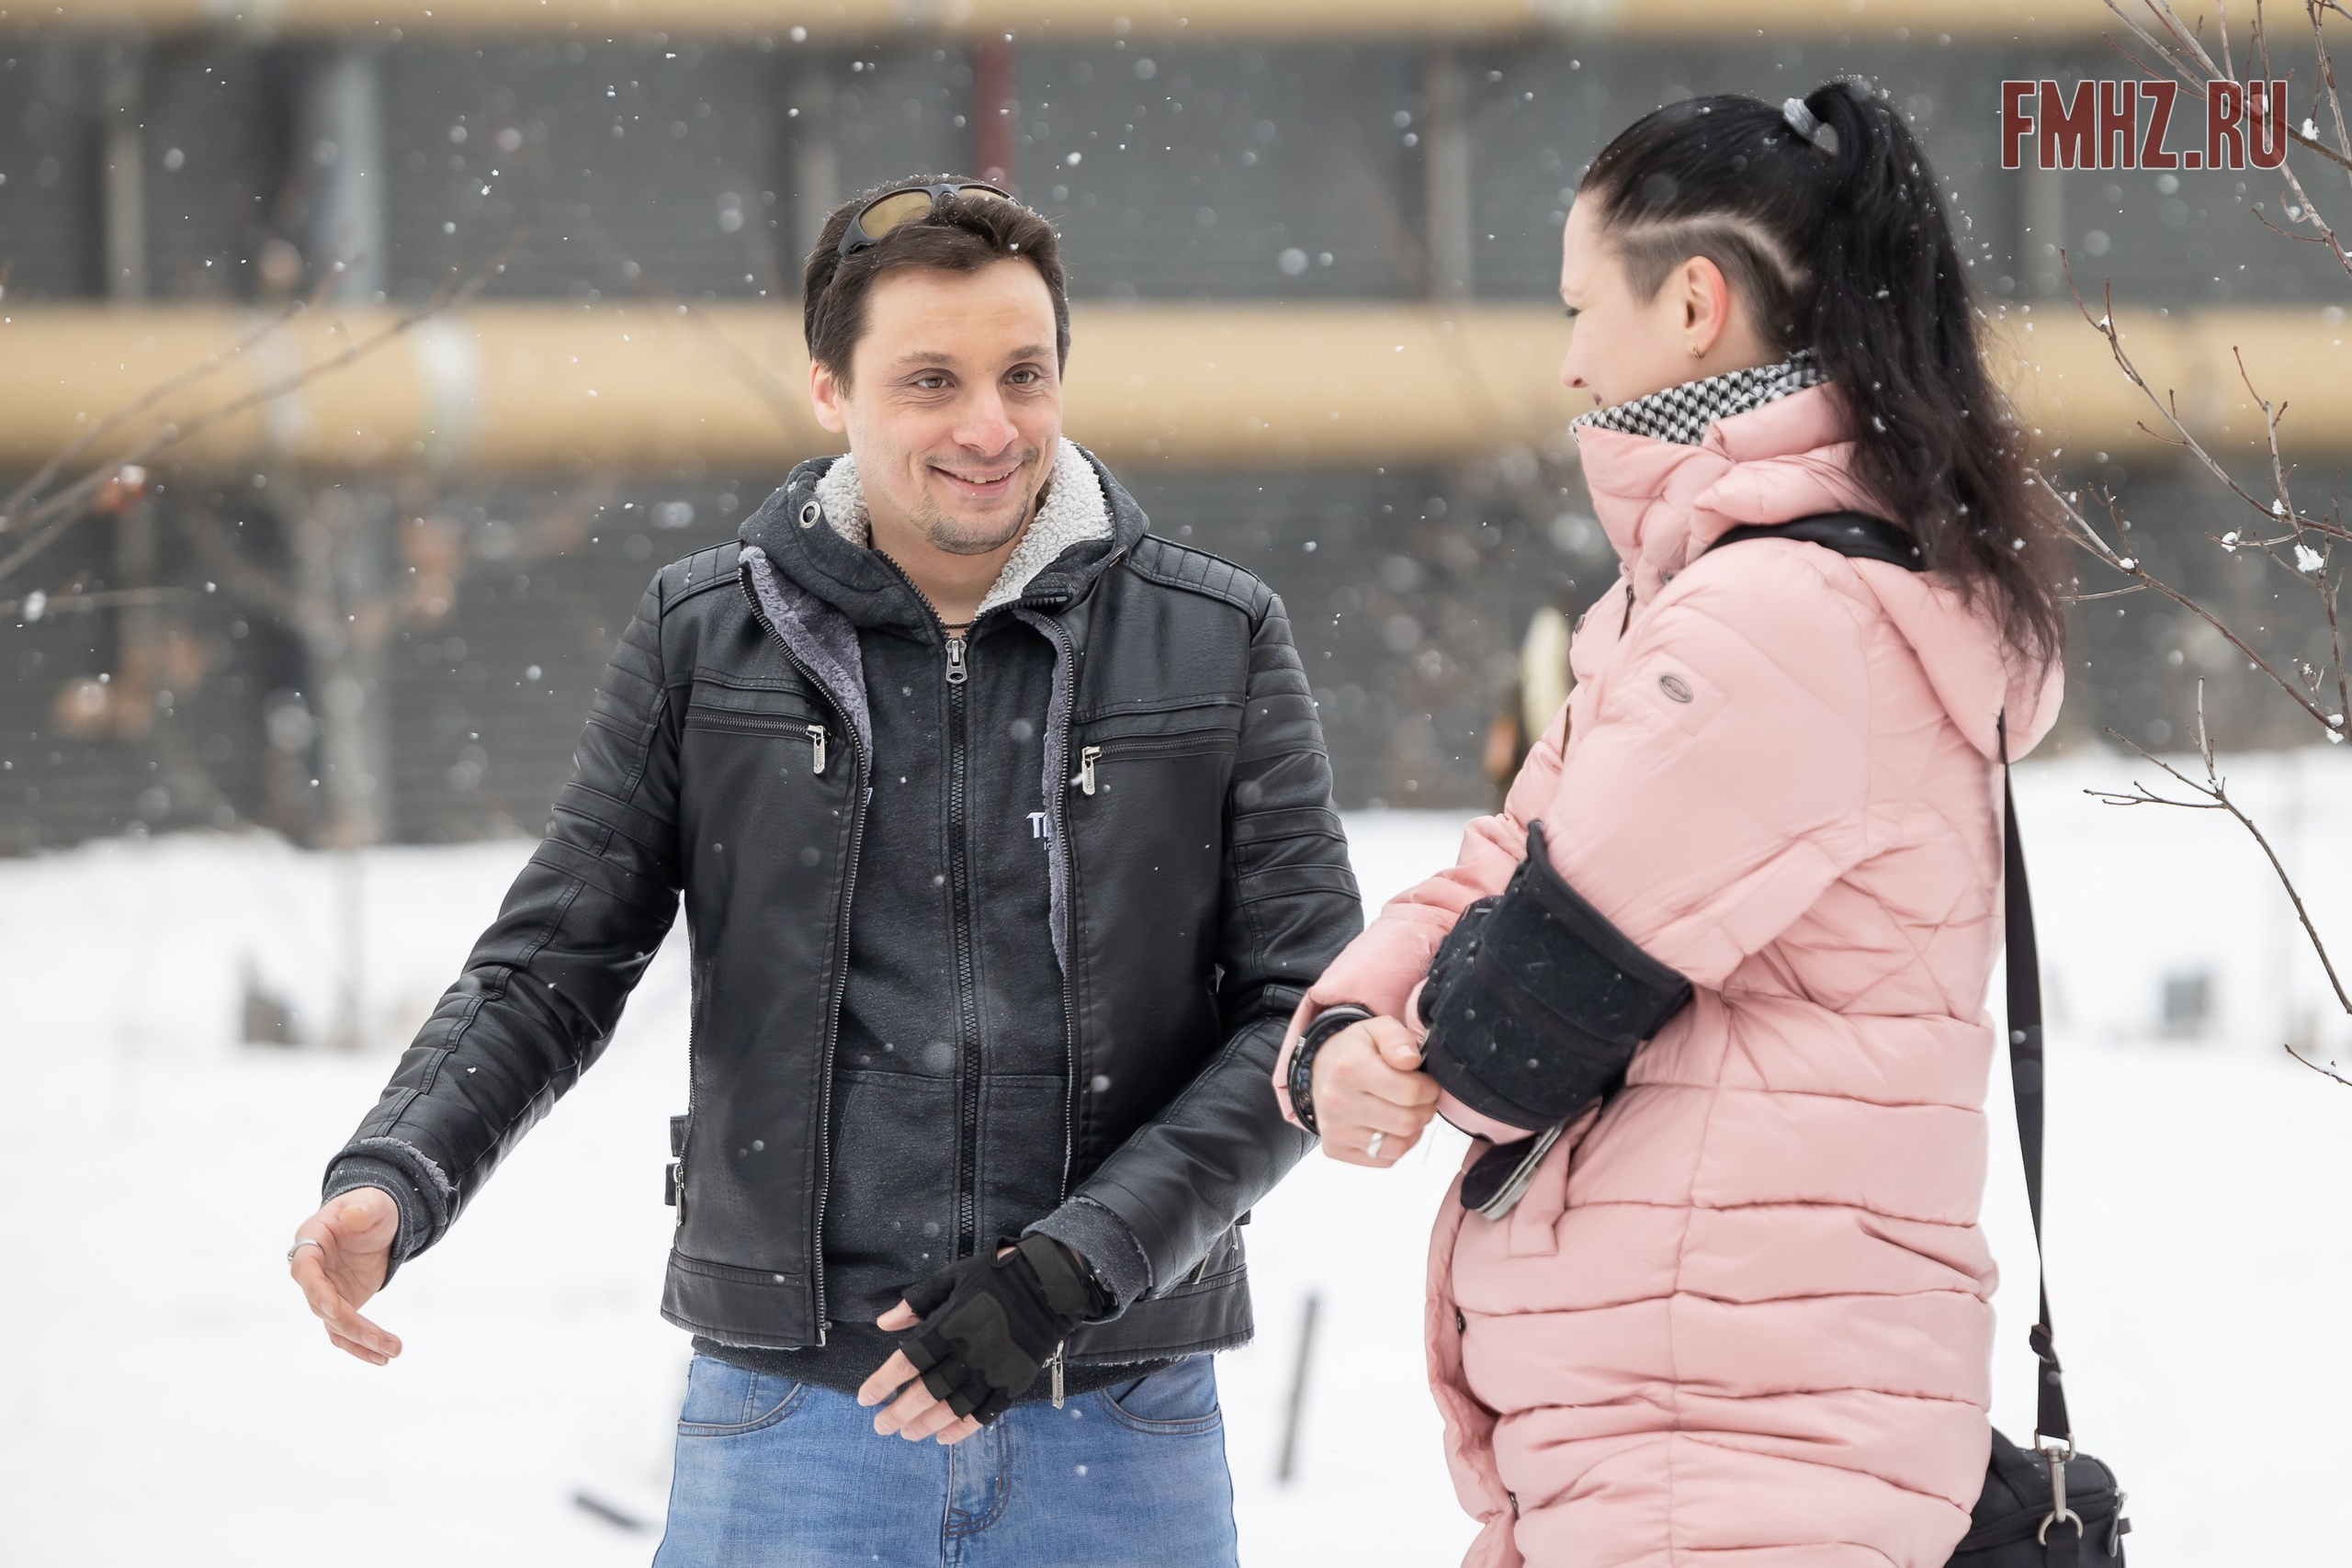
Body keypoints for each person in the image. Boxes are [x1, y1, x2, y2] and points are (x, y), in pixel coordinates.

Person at [287, 176, 1363, 1566]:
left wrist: (1072, 1267)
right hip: (795, 1429)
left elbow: (1308, 1014)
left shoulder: (1211, 643)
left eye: (1023, 375)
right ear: (827, 391)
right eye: (931, 380)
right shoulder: (706, 640)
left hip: (1115, 1418)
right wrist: (398, 1172)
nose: (990, 426)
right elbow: (553, 965)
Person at [1272, 83, 2067, 1568]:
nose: (1570, 358)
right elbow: (1509, 871)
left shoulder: (1782, 623)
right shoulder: (1714, 601)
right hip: (1702, 1421)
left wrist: (1414, 1036)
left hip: (1730, 1444)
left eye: (1583, 306)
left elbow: (1513, 1029)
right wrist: (1343, 1029)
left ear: (1694, 306)